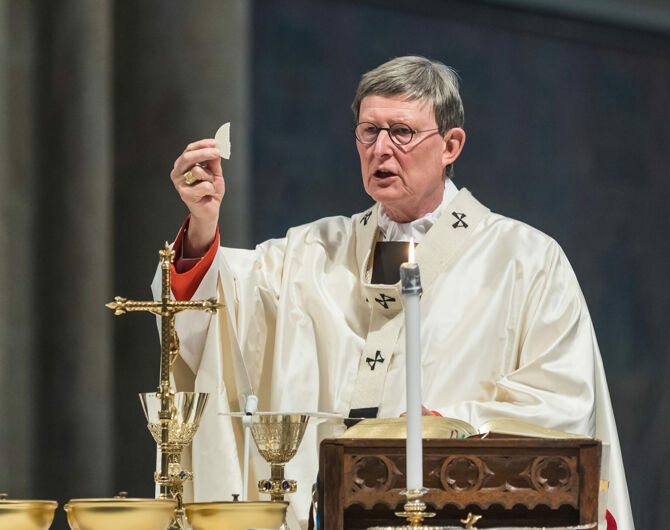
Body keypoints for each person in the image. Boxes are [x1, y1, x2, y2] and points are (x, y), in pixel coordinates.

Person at [157, 56, 634, 530]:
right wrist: (203, 223)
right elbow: (218, 311)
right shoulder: (312, 252)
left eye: (401, 132)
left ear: (450, 145)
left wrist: (444, 425)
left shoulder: (526, 260)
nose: (380, 149)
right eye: (369, 132)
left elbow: (562, 403)